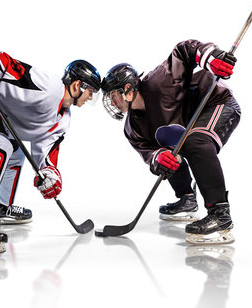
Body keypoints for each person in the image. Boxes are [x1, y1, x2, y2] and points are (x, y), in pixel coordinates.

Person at [0, 49, 101, 255]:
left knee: (15, 151)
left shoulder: (62, 120)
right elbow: (10, 65)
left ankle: (1, 208)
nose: (89, 98)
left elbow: (46, 157)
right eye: (90, 92)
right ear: (77, 86)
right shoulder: (49, 87)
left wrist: (50, 177)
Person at [100, 39, 240, 244]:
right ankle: (186, 199)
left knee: (195, 142)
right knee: (167, 154)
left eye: (114, 95)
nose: (112, 102)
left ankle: (220, 215)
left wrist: (210, 57)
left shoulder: (160, 81)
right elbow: (149, 154)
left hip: (217, 102)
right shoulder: (132, 127)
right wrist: (158, 159)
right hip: (188, 124)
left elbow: (184, 51)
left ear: (128, 89)